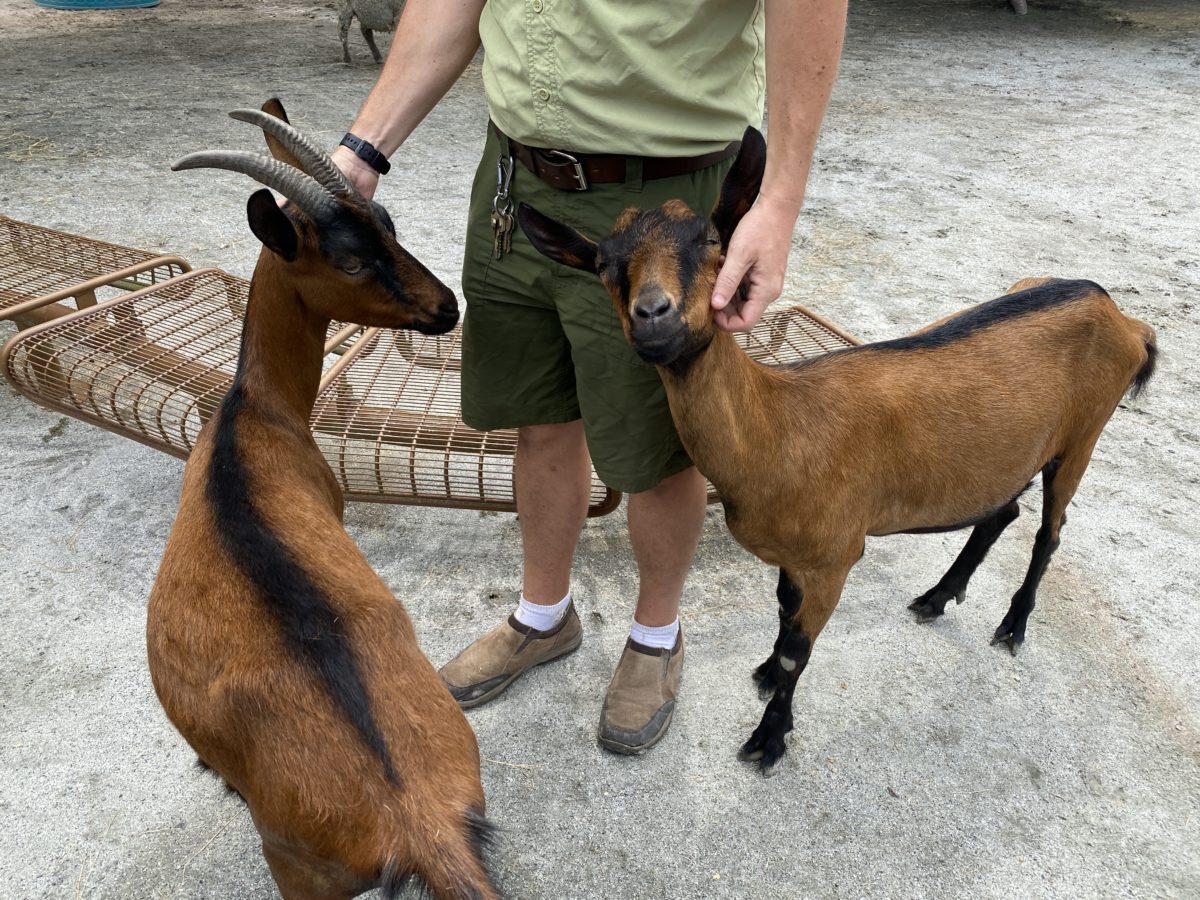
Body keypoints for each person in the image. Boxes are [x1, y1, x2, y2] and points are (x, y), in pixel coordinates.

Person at [332, 0, 847, 755]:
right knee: (539, 420)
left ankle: (656, 634)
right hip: (517, 186)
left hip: (661, 199)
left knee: (659, 449)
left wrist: (780, 198)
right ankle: (543, 617)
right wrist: (363, 150)